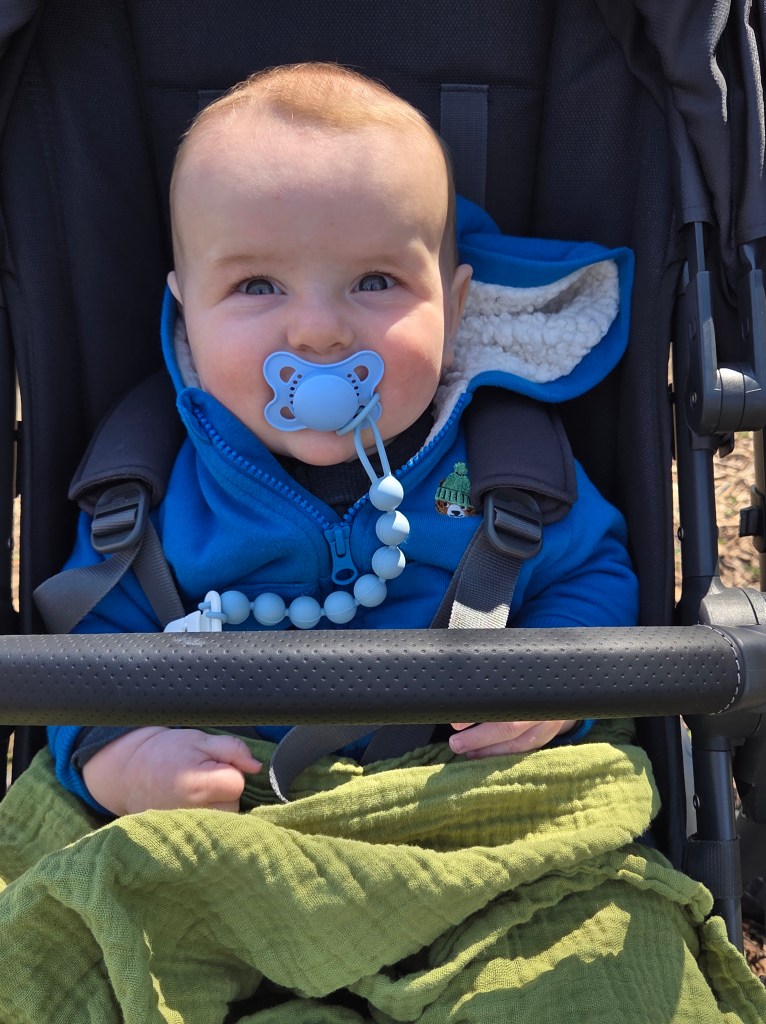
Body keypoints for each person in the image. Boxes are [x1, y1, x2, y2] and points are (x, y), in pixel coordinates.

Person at [45, 62, 638, 818]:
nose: (320, 331)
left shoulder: (507, 473)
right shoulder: (149, 490)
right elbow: (82, 645)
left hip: (460, 791)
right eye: (258, 286)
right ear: (186, 313)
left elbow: (593, 574)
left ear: (453, 309)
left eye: (374, 282)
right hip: (229, 803)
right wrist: (119, 754)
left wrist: (554, 687)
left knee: (603, 874)